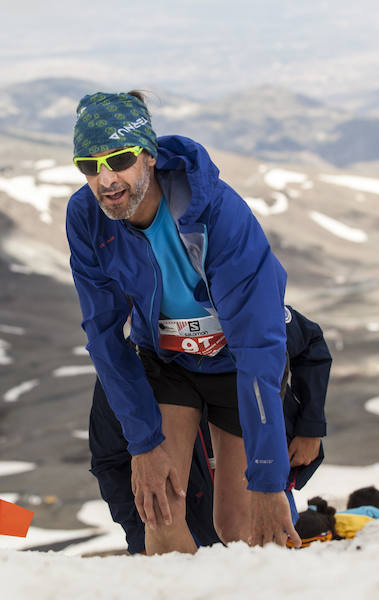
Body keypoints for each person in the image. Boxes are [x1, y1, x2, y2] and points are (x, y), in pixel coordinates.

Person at [66, 90, 330, 554]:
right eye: (89, 165)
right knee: (160, 511)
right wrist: (144, 445)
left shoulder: (220, 214)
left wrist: (268, 481)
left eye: (120, 159)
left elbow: (258, 347)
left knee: (243, 526)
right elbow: (104, 337)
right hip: (167, 364)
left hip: (235, 365)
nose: (105, 178)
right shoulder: (87, 218)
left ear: (147, 155)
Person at [89, 305, 332, 553]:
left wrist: (310, 429)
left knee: (268, 573)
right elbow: (110, 461)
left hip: (260, 485)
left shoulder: (248, 311)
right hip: (185, 516)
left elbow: (311, 345)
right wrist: (139, 536)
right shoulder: (122, 372)